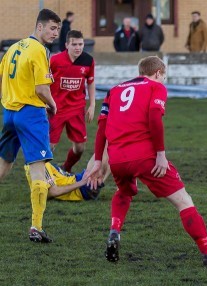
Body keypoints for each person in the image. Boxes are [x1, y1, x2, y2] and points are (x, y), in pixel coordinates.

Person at [87, 56, 207, 266]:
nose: (164, 80)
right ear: (158, 73)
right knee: (184, 201)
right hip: (145, 157)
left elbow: (101, 128)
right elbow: (155, 117)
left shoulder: (114, 90)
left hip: (117, 159)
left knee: (124, 191)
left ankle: (114, 230)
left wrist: (96, 162)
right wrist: (160, 154)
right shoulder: (155, 87)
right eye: (163, 76)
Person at [0, 9, 61, 243]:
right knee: (38, 170)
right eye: (52, 28)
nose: (55, 33)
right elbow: (41, 89)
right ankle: (36, 226)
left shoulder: (14, 47)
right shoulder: (39, 50)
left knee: (4, 163)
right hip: (31, 114)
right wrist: (53, 105)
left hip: (10, 113)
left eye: (57, 29)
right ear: (39, 27)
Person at [49, 30, 96, 172]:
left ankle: (66, 168)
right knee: (49, 146)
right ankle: (41, 177)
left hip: (76, 109)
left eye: (80, 44)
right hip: (56, 109)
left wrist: (92, 104)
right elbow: (43, 81)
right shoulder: (55, 60)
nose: (78, 47)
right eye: (74, 44)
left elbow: (91, 82)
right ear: (66, 45)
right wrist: (45, 101)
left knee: (80, 147)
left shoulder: (88, 61)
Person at [25, 152, 110, 201]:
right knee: (107, 145)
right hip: (82, 189)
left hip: (79, 181)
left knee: (110, 147)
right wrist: (82, 182)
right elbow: (51, 193)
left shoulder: (39, 161)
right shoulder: (38, 164)